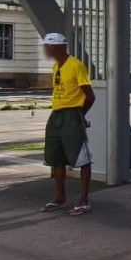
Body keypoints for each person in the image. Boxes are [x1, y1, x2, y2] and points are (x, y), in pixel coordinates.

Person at [40, 33, 96, 216]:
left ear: (59, 47)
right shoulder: (56, 66)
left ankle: (84, 199)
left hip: (72, 113)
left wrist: (79, 115)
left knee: (82, 158)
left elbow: (90, 95)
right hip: (56, 115)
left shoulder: (76, 65)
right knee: (55, 157)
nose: (46, 50)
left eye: (48, 46)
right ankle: (60, 198)